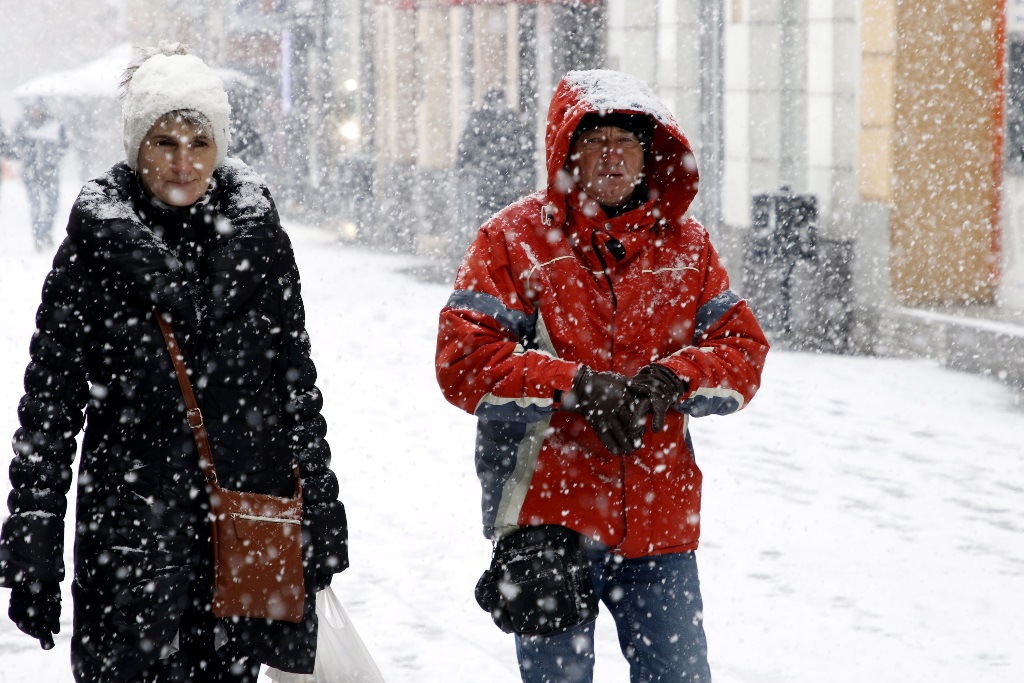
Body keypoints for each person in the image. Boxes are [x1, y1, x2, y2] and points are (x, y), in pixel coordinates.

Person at [0, 43, 348, 682]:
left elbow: (296, 383)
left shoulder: (258, 240)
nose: (183, 162)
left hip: (241, 526)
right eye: (164, 141)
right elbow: (48, 410)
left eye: (199, 141)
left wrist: (320, 507)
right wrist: (34, 540)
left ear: (220, 146)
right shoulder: (92, 252)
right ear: (137, 145)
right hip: (130, 534)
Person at [436, 69, 770, 682]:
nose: (613, 155)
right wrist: (574, 384)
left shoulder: (687, 248)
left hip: (660, 525)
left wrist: (677, 378)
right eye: (596, 140)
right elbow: (463, 361)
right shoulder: (513, 240)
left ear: (652, 153)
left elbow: (743, 350)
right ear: (566, 151)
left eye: (628, 141)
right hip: (548, 522)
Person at [456, 87, 536, 237]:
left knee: (486, 215)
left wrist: (463, 167)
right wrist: (526, 176)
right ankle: (504, 244)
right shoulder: (513, 119)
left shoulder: (478, 119)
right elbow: (525, 151)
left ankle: (488, 245)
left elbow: (465, 147)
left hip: (485, 179)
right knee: (507, 215)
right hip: (508, 180)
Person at [11, 99, 66, 249]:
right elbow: (15, 146)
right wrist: (26, 153)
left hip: (50, 171)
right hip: (30, 173)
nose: (36, 111)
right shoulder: (22, 126)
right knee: (35, 206)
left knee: (52, 205)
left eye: (38, 108)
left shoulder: (54, 125)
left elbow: (63, 145)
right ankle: (38, 236)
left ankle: (46, 232)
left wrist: (53, 157)